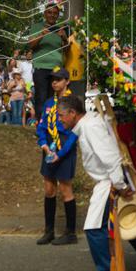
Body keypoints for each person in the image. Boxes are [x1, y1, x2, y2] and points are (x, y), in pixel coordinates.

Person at [55, 94, 136, 271]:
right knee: (129, 222)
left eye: (61, 115)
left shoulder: (90, 126)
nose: (59, 120)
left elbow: (110, 157)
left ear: (72, 113)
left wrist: (120, 185)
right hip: (112, 180)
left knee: (93, 228)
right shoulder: (89, 123)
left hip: (109, 182)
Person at [35, 67, 78, 246]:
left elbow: (75, 133)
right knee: (49, 189)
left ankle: (71, 233)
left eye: (59, 79)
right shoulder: (48, 103)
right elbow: (41, 127)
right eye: (53, 79)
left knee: (65, 190)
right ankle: (49, 231)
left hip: (65, 149)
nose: (54, 82)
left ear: (67, 81)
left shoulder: (74, 103)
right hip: (49, 149)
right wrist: (44, 145)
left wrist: (60, 154)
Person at [27, 3, 69, 122]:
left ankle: (52, 124)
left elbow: (66, 49)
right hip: (41, 67)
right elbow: (30, 45)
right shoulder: (36, 27)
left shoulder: (60, 29)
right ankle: (41, 124)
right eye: (49, 12)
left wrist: (64, 38)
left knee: (54, 98)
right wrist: (41, 34)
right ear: (45, 14)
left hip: (56, 69)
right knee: (41, 96)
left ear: (58, 15)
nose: (52, 15)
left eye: (55, 13)